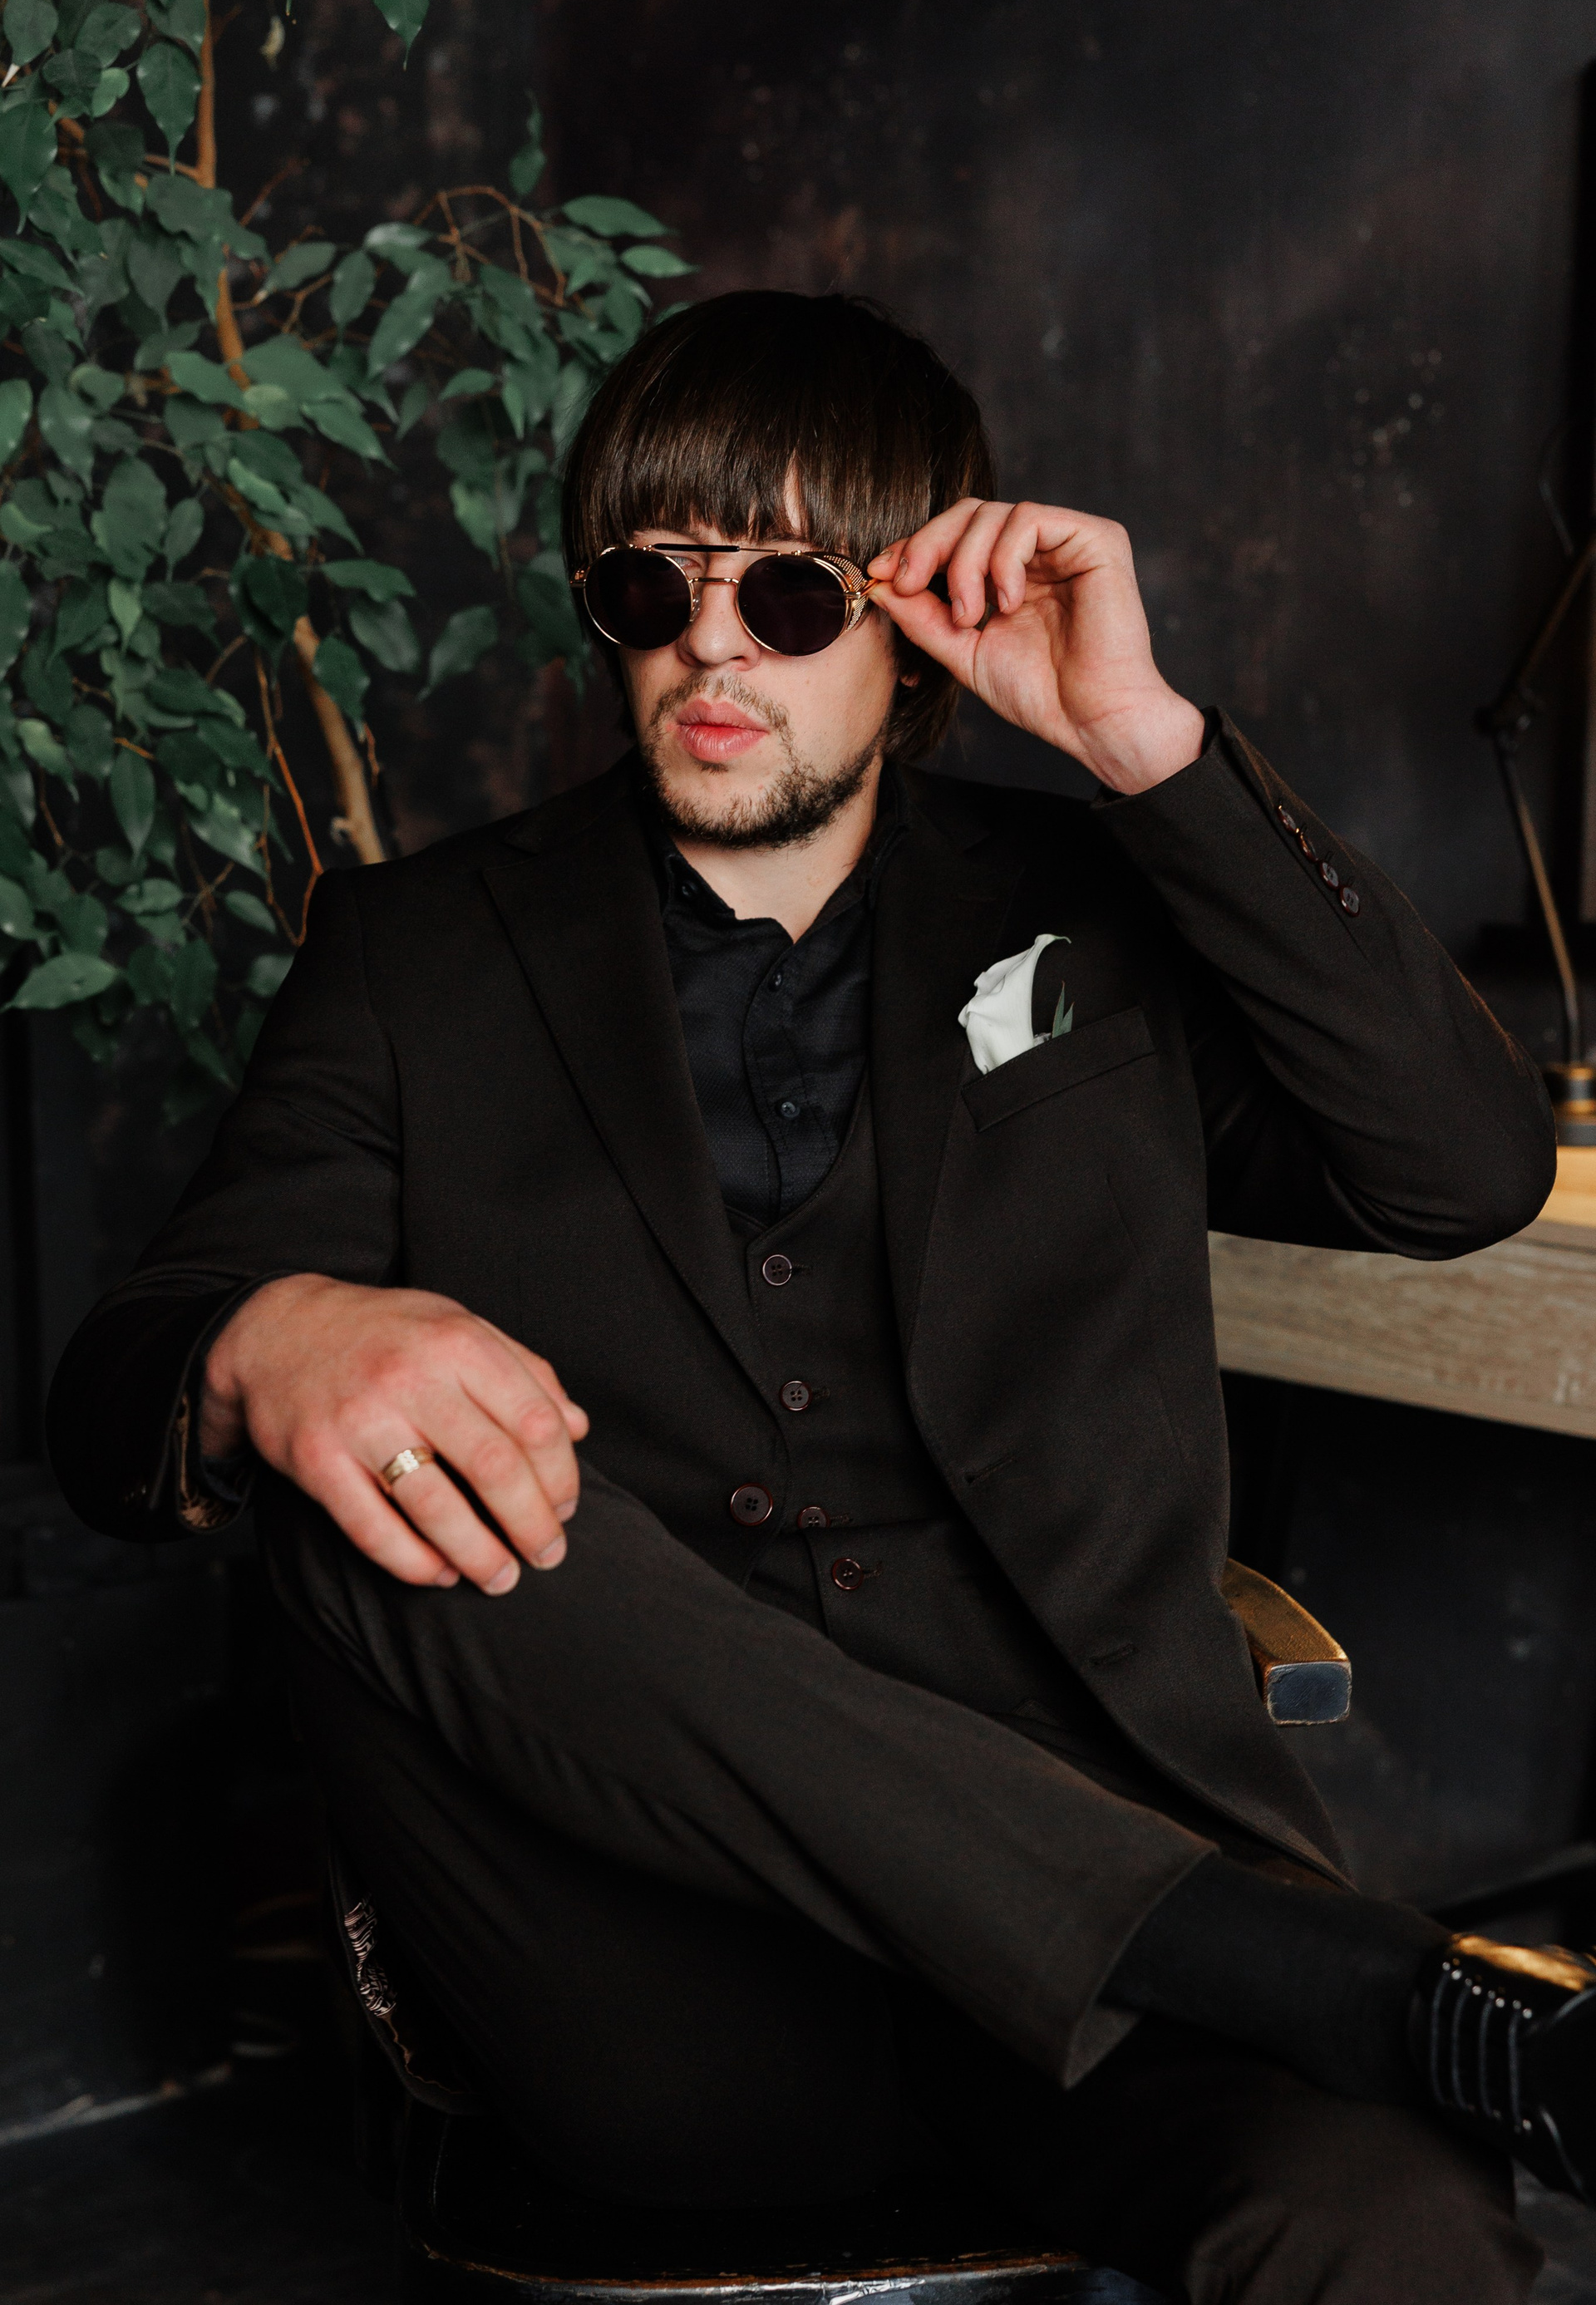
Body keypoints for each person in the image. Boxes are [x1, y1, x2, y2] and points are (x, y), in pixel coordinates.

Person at [47, 291, 1589, 2303]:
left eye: (785, 592)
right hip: (665, 1991)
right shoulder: (417, 956)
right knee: (371, 1474)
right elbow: (115, 1398)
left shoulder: (1097, 909)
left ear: (910, 620)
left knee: (1389, 2214)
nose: (712, 644)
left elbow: (1465, 1173)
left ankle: (1283, 1979)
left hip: (1129, 1943)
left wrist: (1153, 751)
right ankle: (1343, 1974)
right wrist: (269, 1340)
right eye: (652, 584)